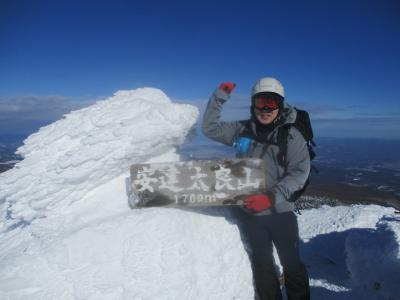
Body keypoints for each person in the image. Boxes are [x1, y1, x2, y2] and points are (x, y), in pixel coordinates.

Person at [202, 77, 310, 300]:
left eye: (272, 103)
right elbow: (209, 128)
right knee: (262, 266)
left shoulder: (290, 135)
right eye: (261, 102)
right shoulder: (240, 130)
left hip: (280, 212)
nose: (266, 109)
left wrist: (271, 197)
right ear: (253, 104)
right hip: (249, 213)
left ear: (280, 105)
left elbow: (300, 172)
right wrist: (220, 96)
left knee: (291, 265)